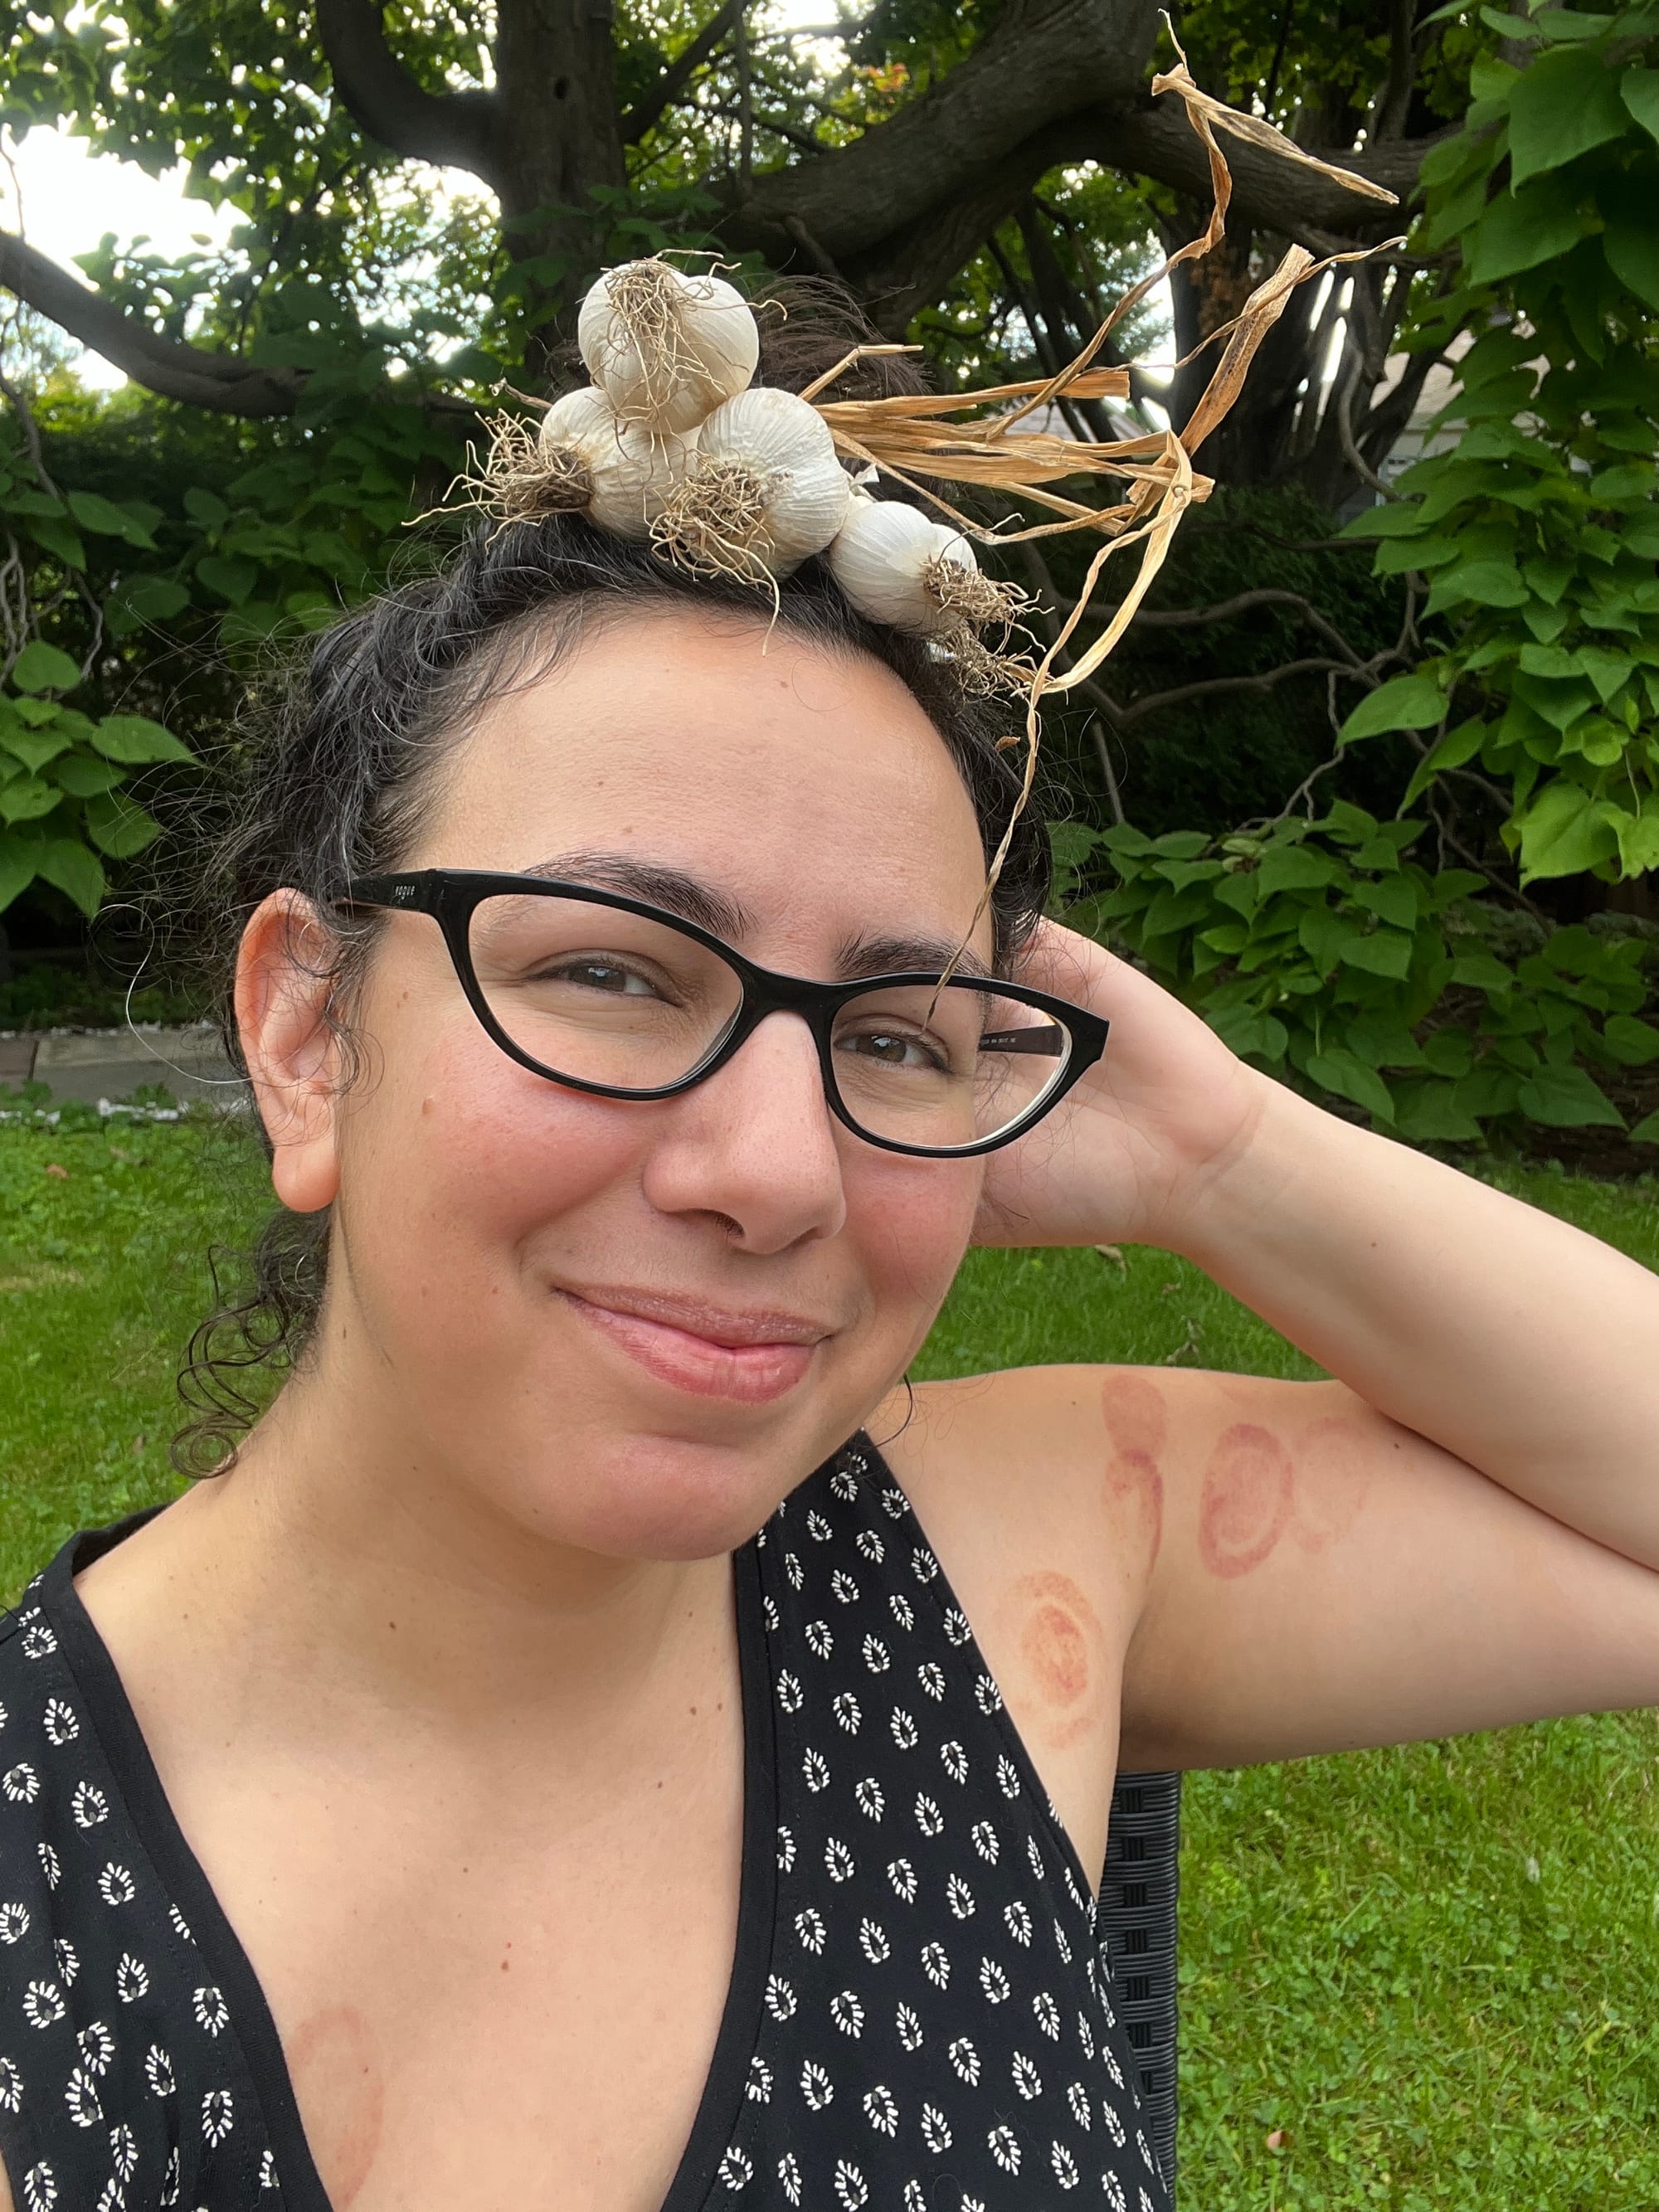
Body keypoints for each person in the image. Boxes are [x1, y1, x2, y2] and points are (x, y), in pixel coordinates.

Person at [1, 318, 1657, 2212]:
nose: (782, 1169)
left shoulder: (1000, 1558)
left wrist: (1220, 1157)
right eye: (612, 971)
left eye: (893, 1031)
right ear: (308, 1031)